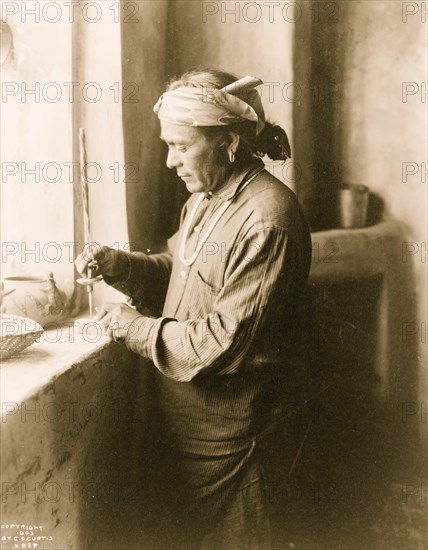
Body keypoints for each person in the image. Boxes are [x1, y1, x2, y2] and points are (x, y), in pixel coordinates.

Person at [75, 68, 312, 549]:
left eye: (181, 146)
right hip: (185, 436)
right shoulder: (206, 199)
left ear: (228, 143)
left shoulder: (268, 220)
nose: (169, 162)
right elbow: (183, 275)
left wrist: (132, 328)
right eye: (168, 145)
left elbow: (219, 341)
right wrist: (122, 266)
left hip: (235, 449)